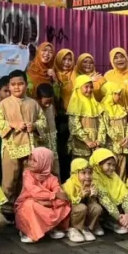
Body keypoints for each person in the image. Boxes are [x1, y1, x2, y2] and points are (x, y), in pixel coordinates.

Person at [0, 70, 46, 204]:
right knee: (9, 179)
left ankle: (24, 206)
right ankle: (7, 207)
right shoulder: (4, 104)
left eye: (20, 84)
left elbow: (43, 121)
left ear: (26, 85)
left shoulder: (33, 104)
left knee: (27, 178)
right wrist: (12, 124)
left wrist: (34, 126)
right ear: (9, 86)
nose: (17, 87)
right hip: (11, 147)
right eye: (13, 84)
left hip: (30, 147)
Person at [14, 147, 70, 243]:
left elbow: (60, 193)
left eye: (34, 160)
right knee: (30, 205)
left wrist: (47, 202)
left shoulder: (52, 178)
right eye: (30, 159)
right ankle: (28, 231)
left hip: (46, 203)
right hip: (29, 203)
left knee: (64, 203)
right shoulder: (27, 174)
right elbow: (35, 192)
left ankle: (49, 228)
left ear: (45, 162)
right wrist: (53, 196)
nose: (31, 163)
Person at [89, 148, 128, 236]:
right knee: (97, 207)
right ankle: (96, 223)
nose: (112, 168)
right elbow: (104, 199)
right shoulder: (93, 176)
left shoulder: (113, 175)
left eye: (113, 165)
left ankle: (109, 221)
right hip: (100, 205)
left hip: (111, 207)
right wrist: (120, 218)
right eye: (108, 164)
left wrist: (127, 215)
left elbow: (125, 193)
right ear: (98, 163)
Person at [67, 75, 114, 167]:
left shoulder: (95, 104)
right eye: (86, 87)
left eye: (91, 87)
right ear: (79, 87)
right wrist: (87, 140)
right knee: (82, 168)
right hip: (81, 146)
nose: (89, 90)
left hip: (96, 146)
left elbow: (102, 124)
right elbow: (74, 127)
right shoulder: (75, 104)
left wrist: (99, 140)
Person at [62, 158, 103, 243]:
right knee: (81, 207)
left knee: (97, 208)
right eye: (83, 173)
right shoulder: (69, 185)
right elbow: (69, 202)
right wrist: (81, 196)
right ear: (75, 174)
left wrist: (92, 196)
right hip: (71, 213)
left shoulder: (91, 184)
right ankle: (73, 229)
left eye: (90, 173)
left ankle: (86, 227)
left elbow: (91, 202)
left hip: (83, 211)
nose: (88, 176)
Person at [54, 48, 77, 180]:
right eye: (64, 59)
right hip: (58, 116)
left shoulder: (75, 74)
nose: (67, 63)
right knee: (59, 148)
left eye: (70, 60)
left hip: (73, 115)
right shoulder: (53, 73)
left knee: (70, 149)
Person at [34, 84, 60, 171]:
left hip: (52, 143)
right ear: (38, 99)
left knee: (55, 166)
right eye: (46, 102)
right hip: (41, 145)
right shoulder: (34, 110)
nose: (48, 105)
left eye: (50, 102)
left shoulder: (51, 107)